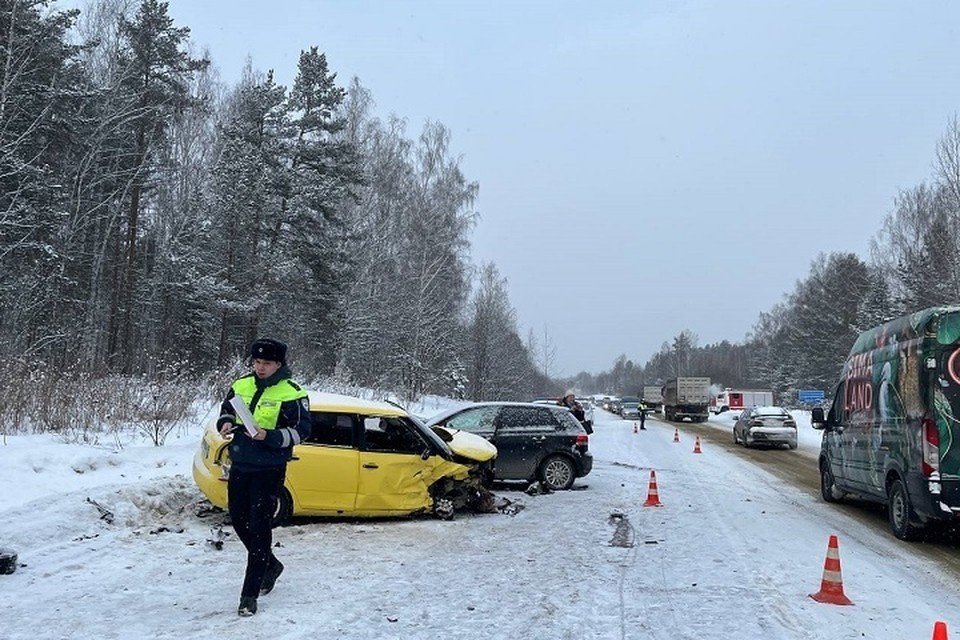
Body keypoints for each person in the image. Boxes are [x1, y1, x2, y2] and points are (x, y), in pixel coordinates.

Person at [217, 337, 311, 617]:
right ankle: (271, 564)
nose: (260, 367)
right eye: (257, 362)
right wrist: (224, 423)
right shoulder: (241, 384)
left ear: (279, 364)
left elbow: (302, 431)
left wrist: (268, 436)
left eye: (266, 363)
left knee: (259, 528)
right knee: (238, 521)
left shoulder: (293, 392)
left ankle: (249, 594)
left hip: (269, 469)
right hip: (241, 463)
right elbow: (226, 411)